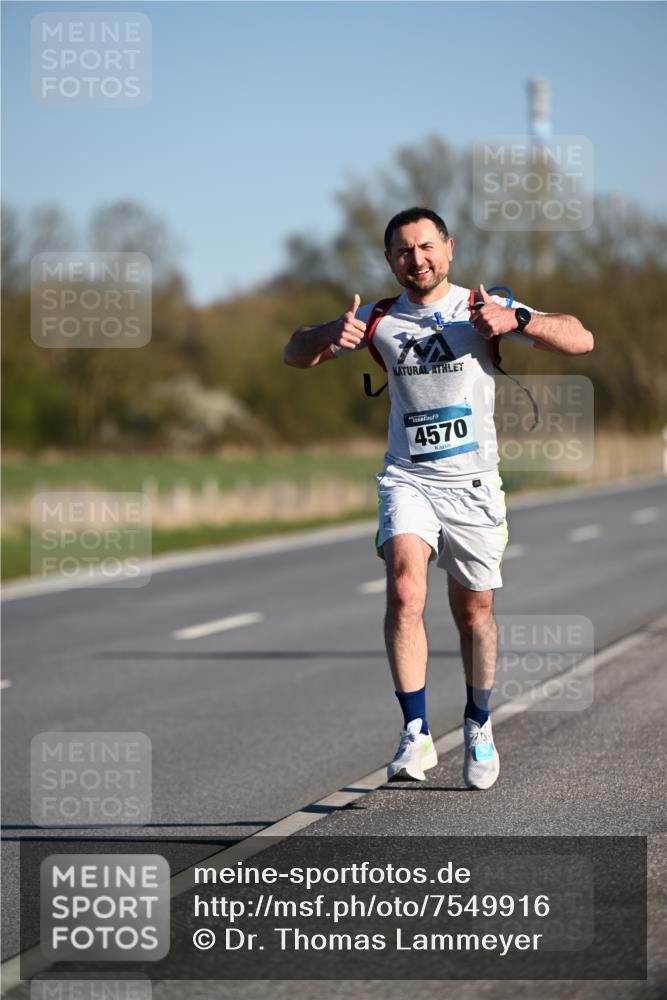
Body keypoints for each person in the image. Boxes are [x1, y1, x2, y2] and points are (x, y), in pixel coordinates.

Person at [283, 207, 594, 789]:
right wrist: (330, 334)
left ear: (449, 249)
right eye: (403, 251)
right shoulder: (378, 319)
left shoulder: (484, 307)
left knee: (474, 614)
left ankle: (478, 721)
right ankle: (415, 731)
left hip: (474, 485)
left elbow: (581, 339)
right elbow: (294, 351)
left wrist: (518, 320)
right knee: (405, 587)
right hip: (409, 478)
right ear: (389, 261)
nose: (416, 259)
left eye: (426, 247)